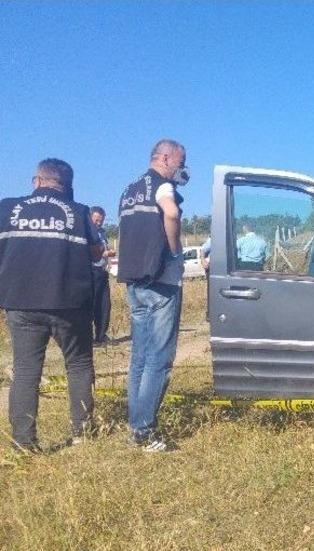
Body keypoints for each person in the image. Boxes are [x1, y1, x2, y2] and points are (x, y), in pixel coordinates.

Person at [0, 159, 104, 452]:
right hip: (69, 302)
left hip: (20, 302)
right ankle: (82, 434)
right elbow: (96, 252)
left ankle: (23, 442)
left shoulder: (6, 208)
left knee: (25, 370)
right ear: (67, 186)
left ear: (37, 180)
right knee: (79, 364)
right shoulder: (79, 212)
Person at [116, 139, 189, 452]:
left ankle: (136, 425)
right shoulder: (162, 187)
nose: (181, 168)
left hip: (135, 280)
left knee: (140, 359)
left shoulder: (129, 189)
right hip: (161, 281)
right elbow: (171, 214)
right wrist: (175, 251)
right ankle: (145, 432)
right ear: (165, 157)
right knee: (159, 360)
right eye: (180, 162)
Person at [89, 206, 114, 344]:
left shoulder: (102, 233)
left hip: (102, 271)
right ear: (91, 218)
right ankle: (87, 338)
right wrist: (105, 253)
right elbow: (89, 251)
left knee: (104, 305)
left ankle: (101, 335)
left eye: (101, 220)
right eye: (97, 220)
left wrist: (108, 254)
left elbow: (104, 249)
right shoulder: (86, 233)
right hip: (91, 271)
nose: (99, 223)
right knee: (91, 305)